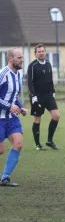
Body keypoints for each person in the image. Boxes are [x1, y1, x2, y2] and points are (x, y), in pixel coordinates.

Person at [0, 48, 28, 186]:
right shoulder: (2, 73)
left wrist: (19, 106)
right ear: (10, 59)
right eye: (19, 58)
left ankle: (4, 178)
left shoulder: (18, 75)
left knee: (18, 144)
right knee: (0, 150)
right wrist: (8, 106)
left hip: (11, 118)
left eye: (22, 57)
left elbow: (13, 96)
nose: (21, 60)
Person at [27, 44, 60, 150]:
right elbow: (29, 83)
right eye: (39, 51)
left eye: (42, 51)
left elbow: (50, 80)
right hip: (37, 96)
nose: (41, 53)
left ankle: (50, 141)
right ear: (35, 53)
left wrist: (53, 91)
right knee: (37, 120)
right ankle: (37, 145)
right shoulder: (32, 66)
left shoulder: (49, 64)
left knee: (56, 116)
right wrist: (33, 96)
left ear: (45, 52)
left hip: (48, 95)